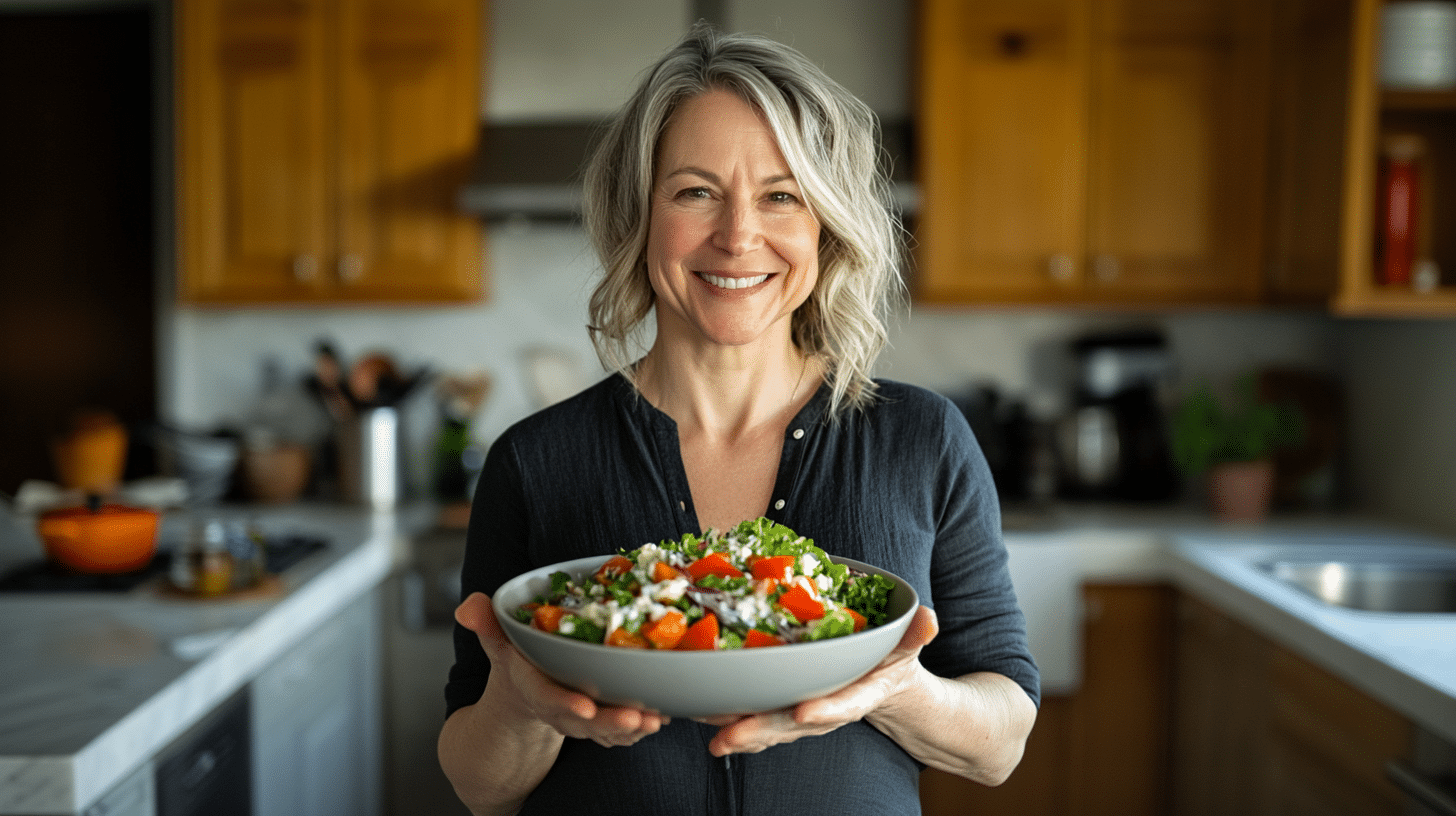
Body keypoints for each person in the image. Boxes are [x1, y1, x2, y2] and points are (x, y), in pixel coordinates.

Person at [438, 23, 1039, 816]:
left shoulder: (923, 440)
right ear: (639, 216)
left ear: (825, 224)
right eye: (696, 192)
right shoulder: (536, 460)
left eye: (781, 195)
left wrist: (894, 690)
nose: (738, 236)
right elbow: (477, 784)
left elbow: (1002, 741)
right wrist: (521, 705)